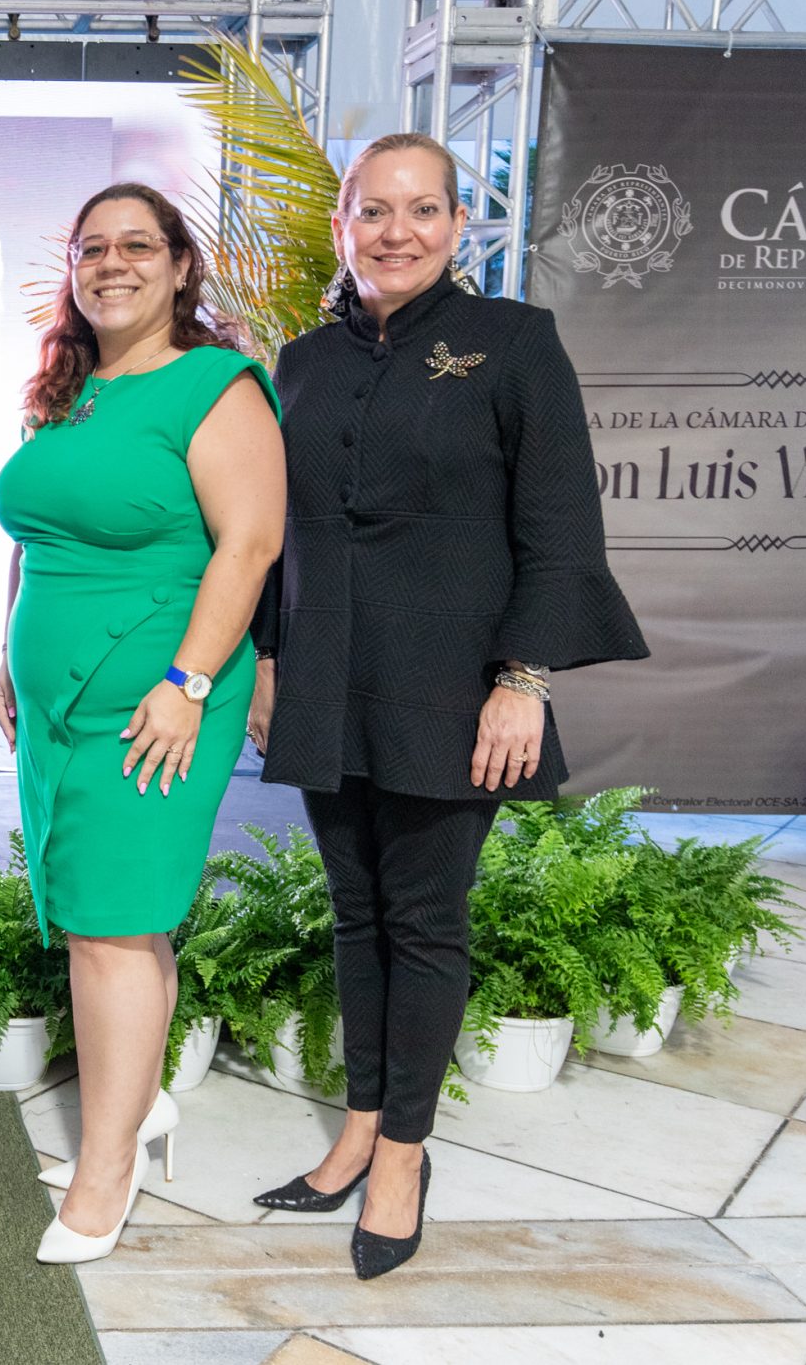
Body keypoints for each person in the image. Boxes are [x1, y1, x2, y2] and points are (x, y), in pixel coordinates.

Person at [245, 133, 648, 1279]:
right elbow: (279, 539)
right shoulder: (303, 359)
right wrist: (270, 666)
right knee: (355, 914)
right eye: (373, 212)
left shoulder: (515, 343)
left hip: (451, 689)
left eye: (421, 211)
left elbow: (560, 523)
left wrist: (521, 680)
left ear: (458, 224)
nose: (396, 232)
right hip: (325, 685)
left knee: (424, 923)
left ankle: (402, 1156)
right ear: (341, 227)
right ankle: (357, 1127)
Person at [0, 182, 285, 1266]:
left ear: (176, 268)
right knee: (104, 921)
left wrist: (190, 681)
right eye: (90, 248)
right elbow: (34, 533)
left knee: (115, 925)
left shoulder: (215, 386)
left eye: (134, 246)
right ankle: (137, 1108)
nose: (109, 263)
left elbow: (248, 546)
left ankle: (106, 1170)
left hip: (157, 697)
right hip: (57, 700)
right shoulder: (67, 391)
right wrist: (1, 645)